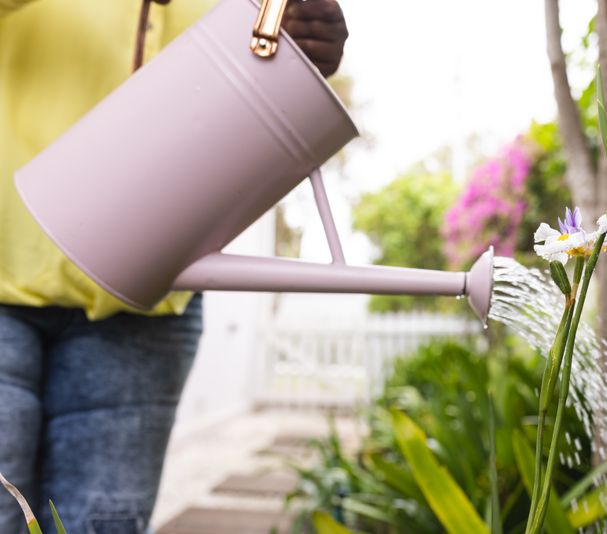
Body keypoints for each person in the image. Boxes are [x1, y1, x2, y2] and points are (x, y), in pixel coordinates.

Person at [0, 0, 348, 532]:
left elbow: (256, 82)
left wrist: (301, 50)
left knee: (103, 525)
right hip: (7, 264)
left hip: (146, 295)